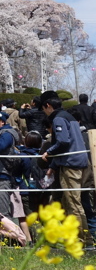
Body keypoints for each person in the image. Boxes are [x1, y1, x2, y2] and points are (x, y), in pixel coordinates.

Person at [41, 93, 89, 239]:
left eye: (43, 108)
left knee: (73, 203)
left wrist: (48, 152)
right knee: (71, 202)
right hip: (79, 161)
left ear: (48, 106)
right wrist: (54, 165)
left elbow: (63, 141)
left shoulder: (58, 118)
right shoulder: (69, 116)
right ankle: (79, 237)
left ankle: (83, 239)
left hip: (70, 164)